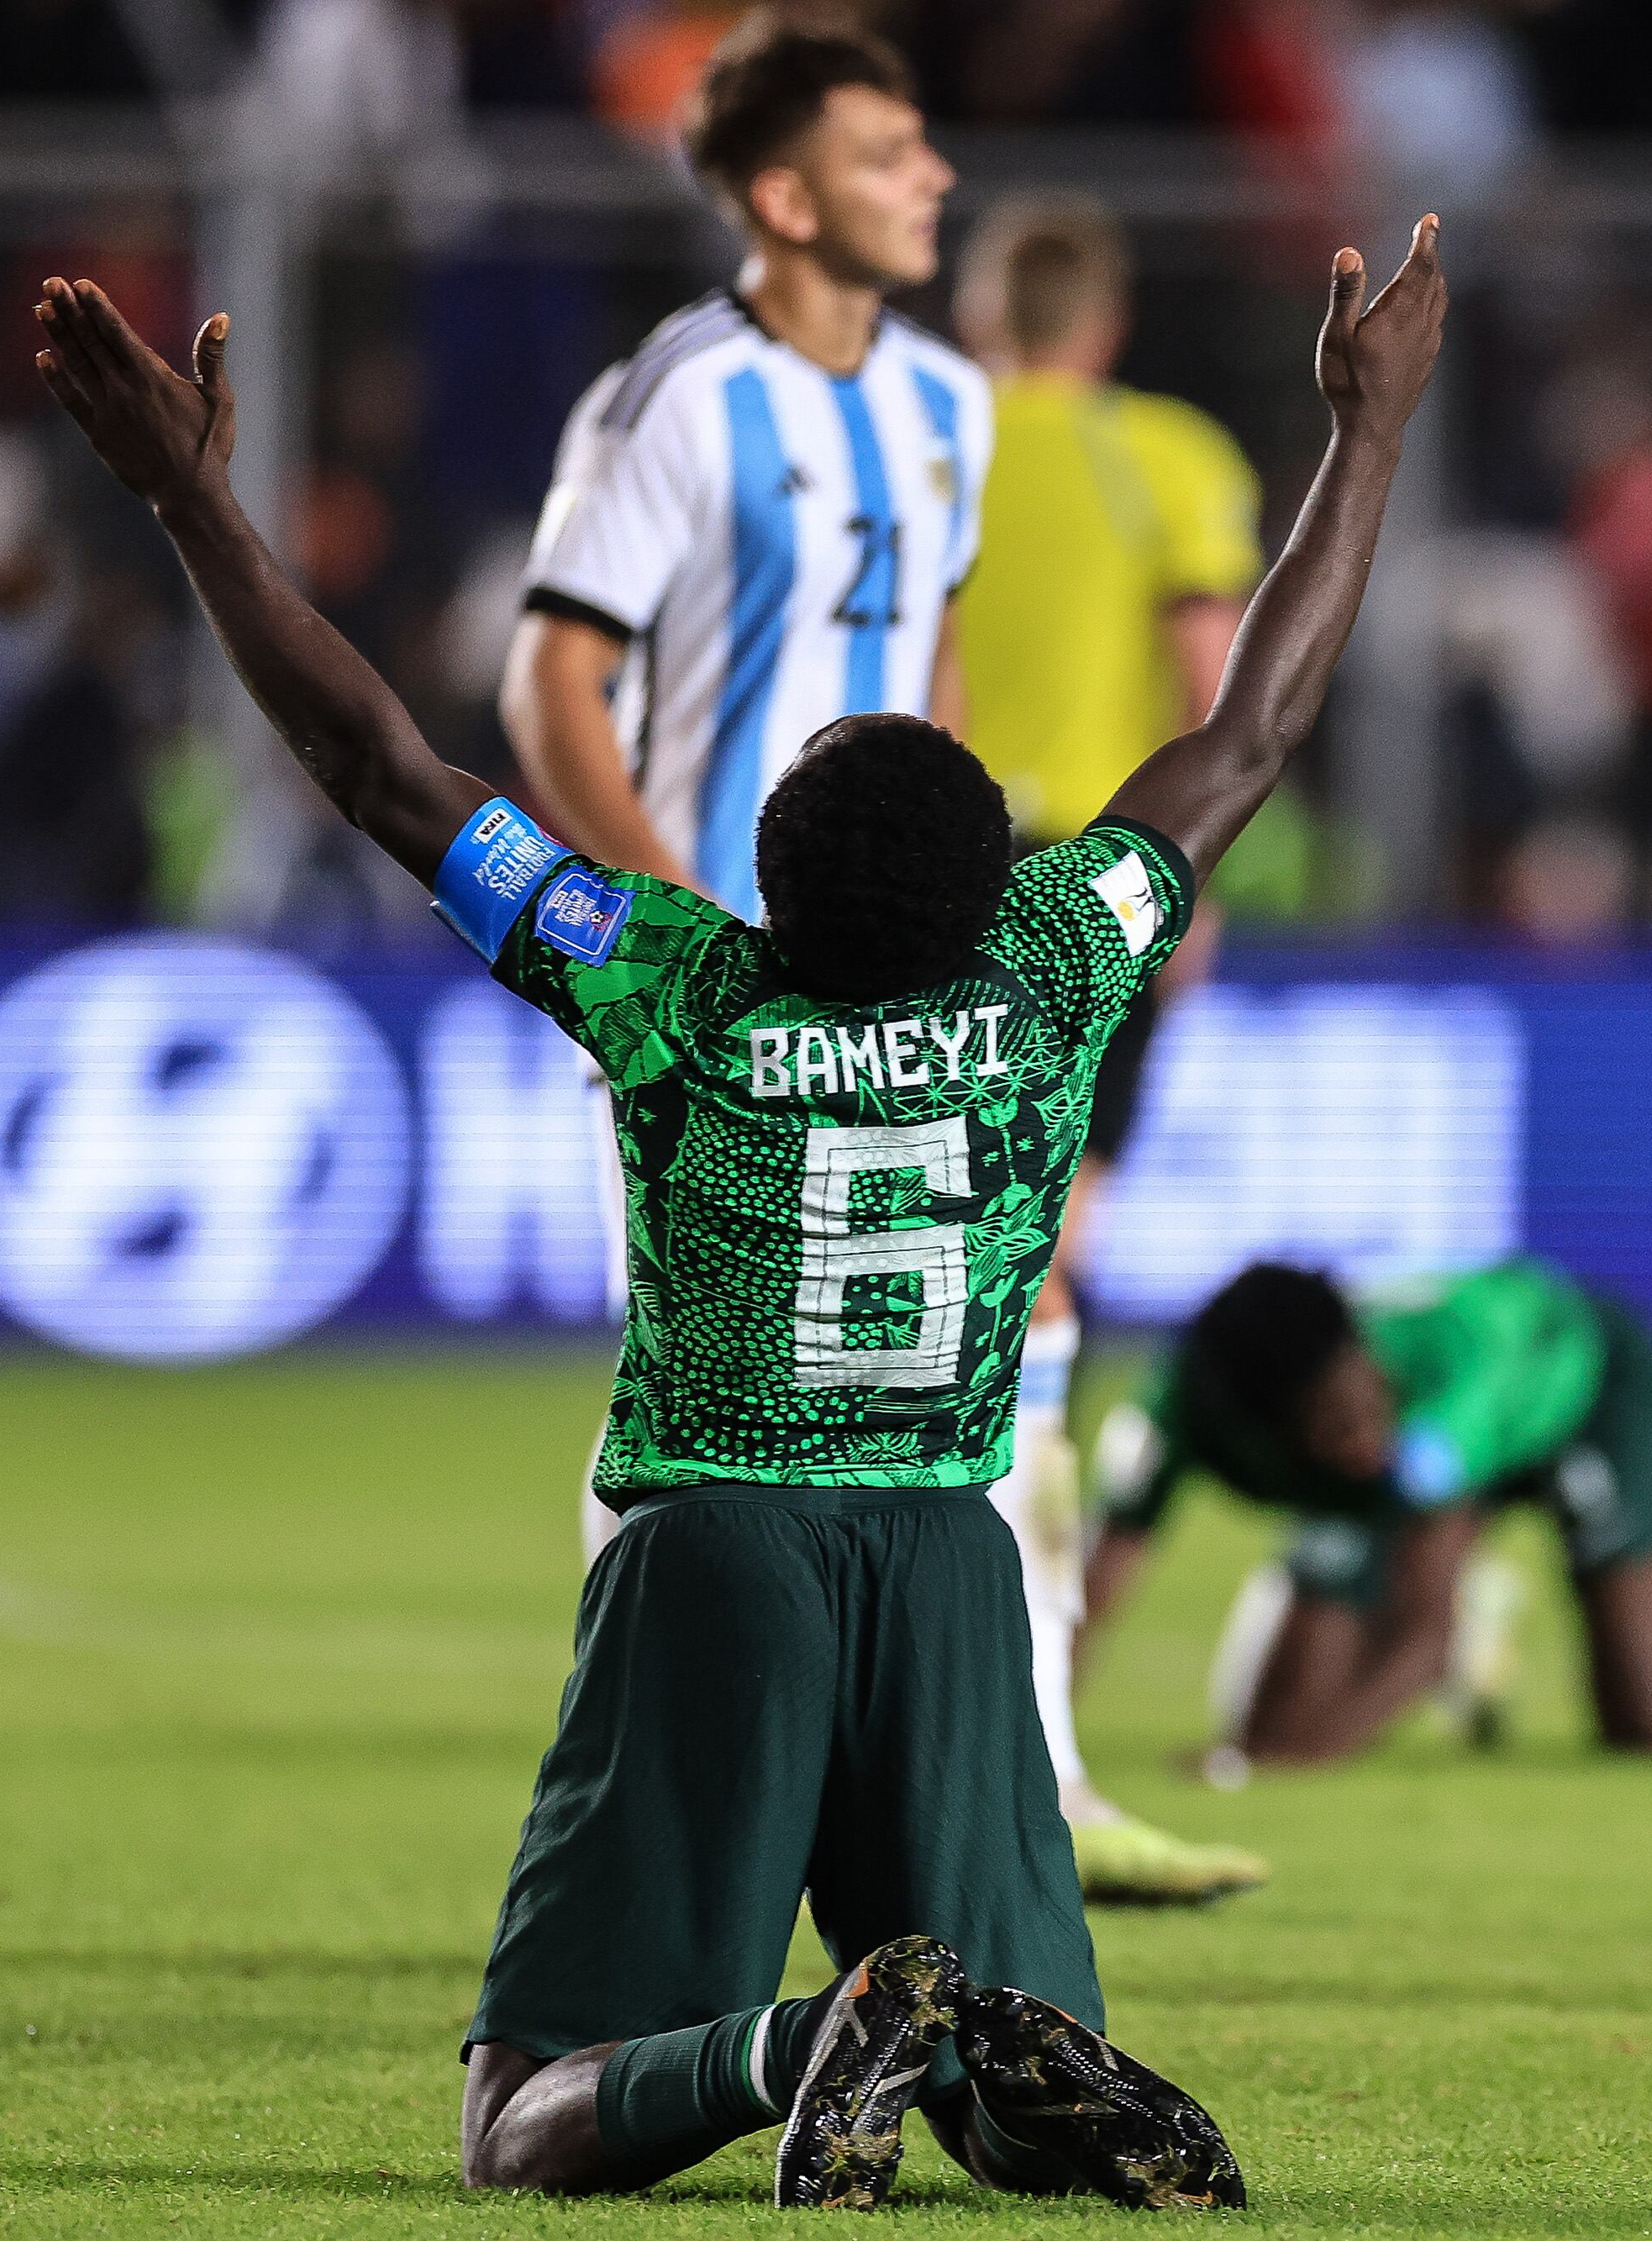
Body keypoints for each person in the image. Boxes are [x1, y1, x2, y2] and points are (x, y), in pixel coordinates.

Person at [29, 192, 1443, 2198]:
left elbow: (376, 763)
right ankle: (986, 2053)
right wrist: (1366, 432)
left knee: (522, 2128)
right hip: (952, 1571)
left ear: (768, 881)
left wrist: (187, 502)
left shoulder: (672, 982)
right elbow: (1251, 732)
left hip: (719, 1557)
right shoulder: (1053, 966)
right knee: (1014, 2102)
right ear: (982, 877)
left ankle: (804, 2036)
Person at [493, 13, 1235, 1900]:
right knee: (696, 1393)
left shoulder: (939, 402)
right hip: (723, 976)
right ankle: (659, 1811)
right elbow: (550, 675)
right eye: (890, 151)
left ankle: (1035, 1782)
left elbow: (932, 673)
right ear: (780, 193)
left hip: (905, 955)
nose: (934, 177)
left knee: (1016, 1331)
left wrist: (958, 888)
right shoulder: (675, 399)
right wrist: (673, 927)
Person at [949, 190, 1270, 1899]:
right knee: (1049, 1262)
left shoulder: (919, 431)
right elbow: (1213, 669)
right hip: (1091, 869)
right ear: (1106, 316)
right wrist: (1186, 882)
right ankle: (1034, 1733)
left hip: (930, 854)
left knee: (968, 1244)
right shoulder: (1166, 455)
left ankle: (993, 1709)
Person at [1088, 1257, 1652, 1768]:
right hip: (1426, 1464)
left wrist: (1287, 1759)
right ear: (1263, 1430)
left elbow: (1421, 1635)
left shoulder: (1436, 1395)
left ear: (1366, 1354)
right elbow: (1088, 1581)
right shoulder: (1180, 1410)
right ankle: (1483, 1615)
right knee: (1278, 1712)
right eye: (1330, 1430)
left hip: (1579, 1388)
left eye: (1363, 1410)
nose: (1360, 1442)